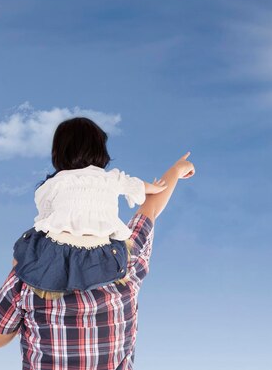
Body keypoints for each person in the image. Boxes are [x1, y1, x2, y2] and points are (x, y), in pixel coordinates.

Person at [0, 117, 195, 370]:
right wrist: (178, 170)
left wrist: (26, 288)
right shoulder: (129, 260)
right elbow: (150, 207)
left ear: (57, 155)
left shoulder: (29, 275)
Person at [12, 117, 169, 299]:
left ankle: (28, 284)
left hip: (59, 250)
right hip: (102, 251)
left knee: (26, 249)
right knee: (119, 247)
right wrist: (155, 187)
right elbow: (138, 186)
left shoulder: (53, 184)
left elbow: (44, 220)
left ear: (58, 152)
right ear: (100, 151)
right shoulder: (111, 178)